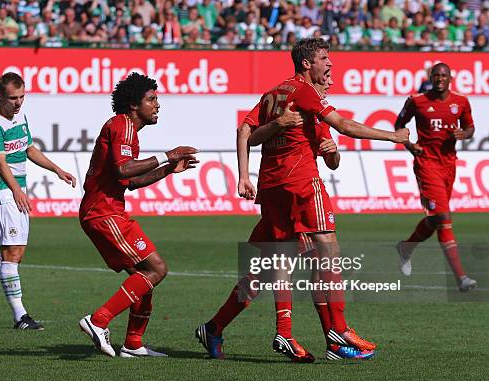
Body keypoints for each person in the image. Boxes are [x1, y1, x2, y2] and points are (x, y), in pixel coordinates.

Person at [196, 38, 409, 361]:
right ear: (307, 64)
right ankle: (335, 330)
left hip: (272, 190)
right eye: (325, 61)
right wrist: (393, 136)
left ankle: (216, 328)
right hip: (300, 186)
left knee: (268, 269)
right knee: (327, 249)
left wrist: (245, 175)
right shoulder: (305, 94)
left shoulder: (275, 96)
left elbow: (247, 133)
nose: (331, 68)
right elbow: (344, 125)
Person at [78, 73, 198, 358]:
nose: (157, 105)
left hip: (105, 210)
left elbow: (130, 181)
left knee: (144, 276)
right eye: (151, 99)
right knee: (156, 269)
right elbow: (123, 169)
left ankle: (133, 343)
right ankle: (98, 321)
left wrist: (169, 169)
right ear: (134, 104)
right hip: (104, 212)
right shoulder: (123, 126)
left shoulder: (126, 130)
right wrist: (168, 155)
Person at [0, 72, 76, 329]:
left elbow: (29, 149)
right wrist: (16, 191)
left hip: (16, 190)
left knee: (14, 254)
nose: (18, 103)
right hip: (1, 191)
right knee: (11, 254)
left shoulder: (19, 117)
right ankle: (20, 316)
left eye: (21, 97)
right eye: (12, 98)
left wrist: (57, 169)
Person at [395, 63, 476, 292]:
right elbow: (399, 126)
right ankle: (461, 278)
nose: (440, 79)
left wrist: (464, 134)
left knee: (434, 220)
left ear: (450, 78)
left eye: (443, 75)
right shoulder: (417, 101)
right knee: (443, 215)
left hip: (449, 165)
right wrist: (410, 146)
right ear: (431, 77)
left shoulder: (461, 102)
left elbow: (470, 128)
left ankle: (406, 248)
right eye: (436, 75)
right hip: (426, 164)